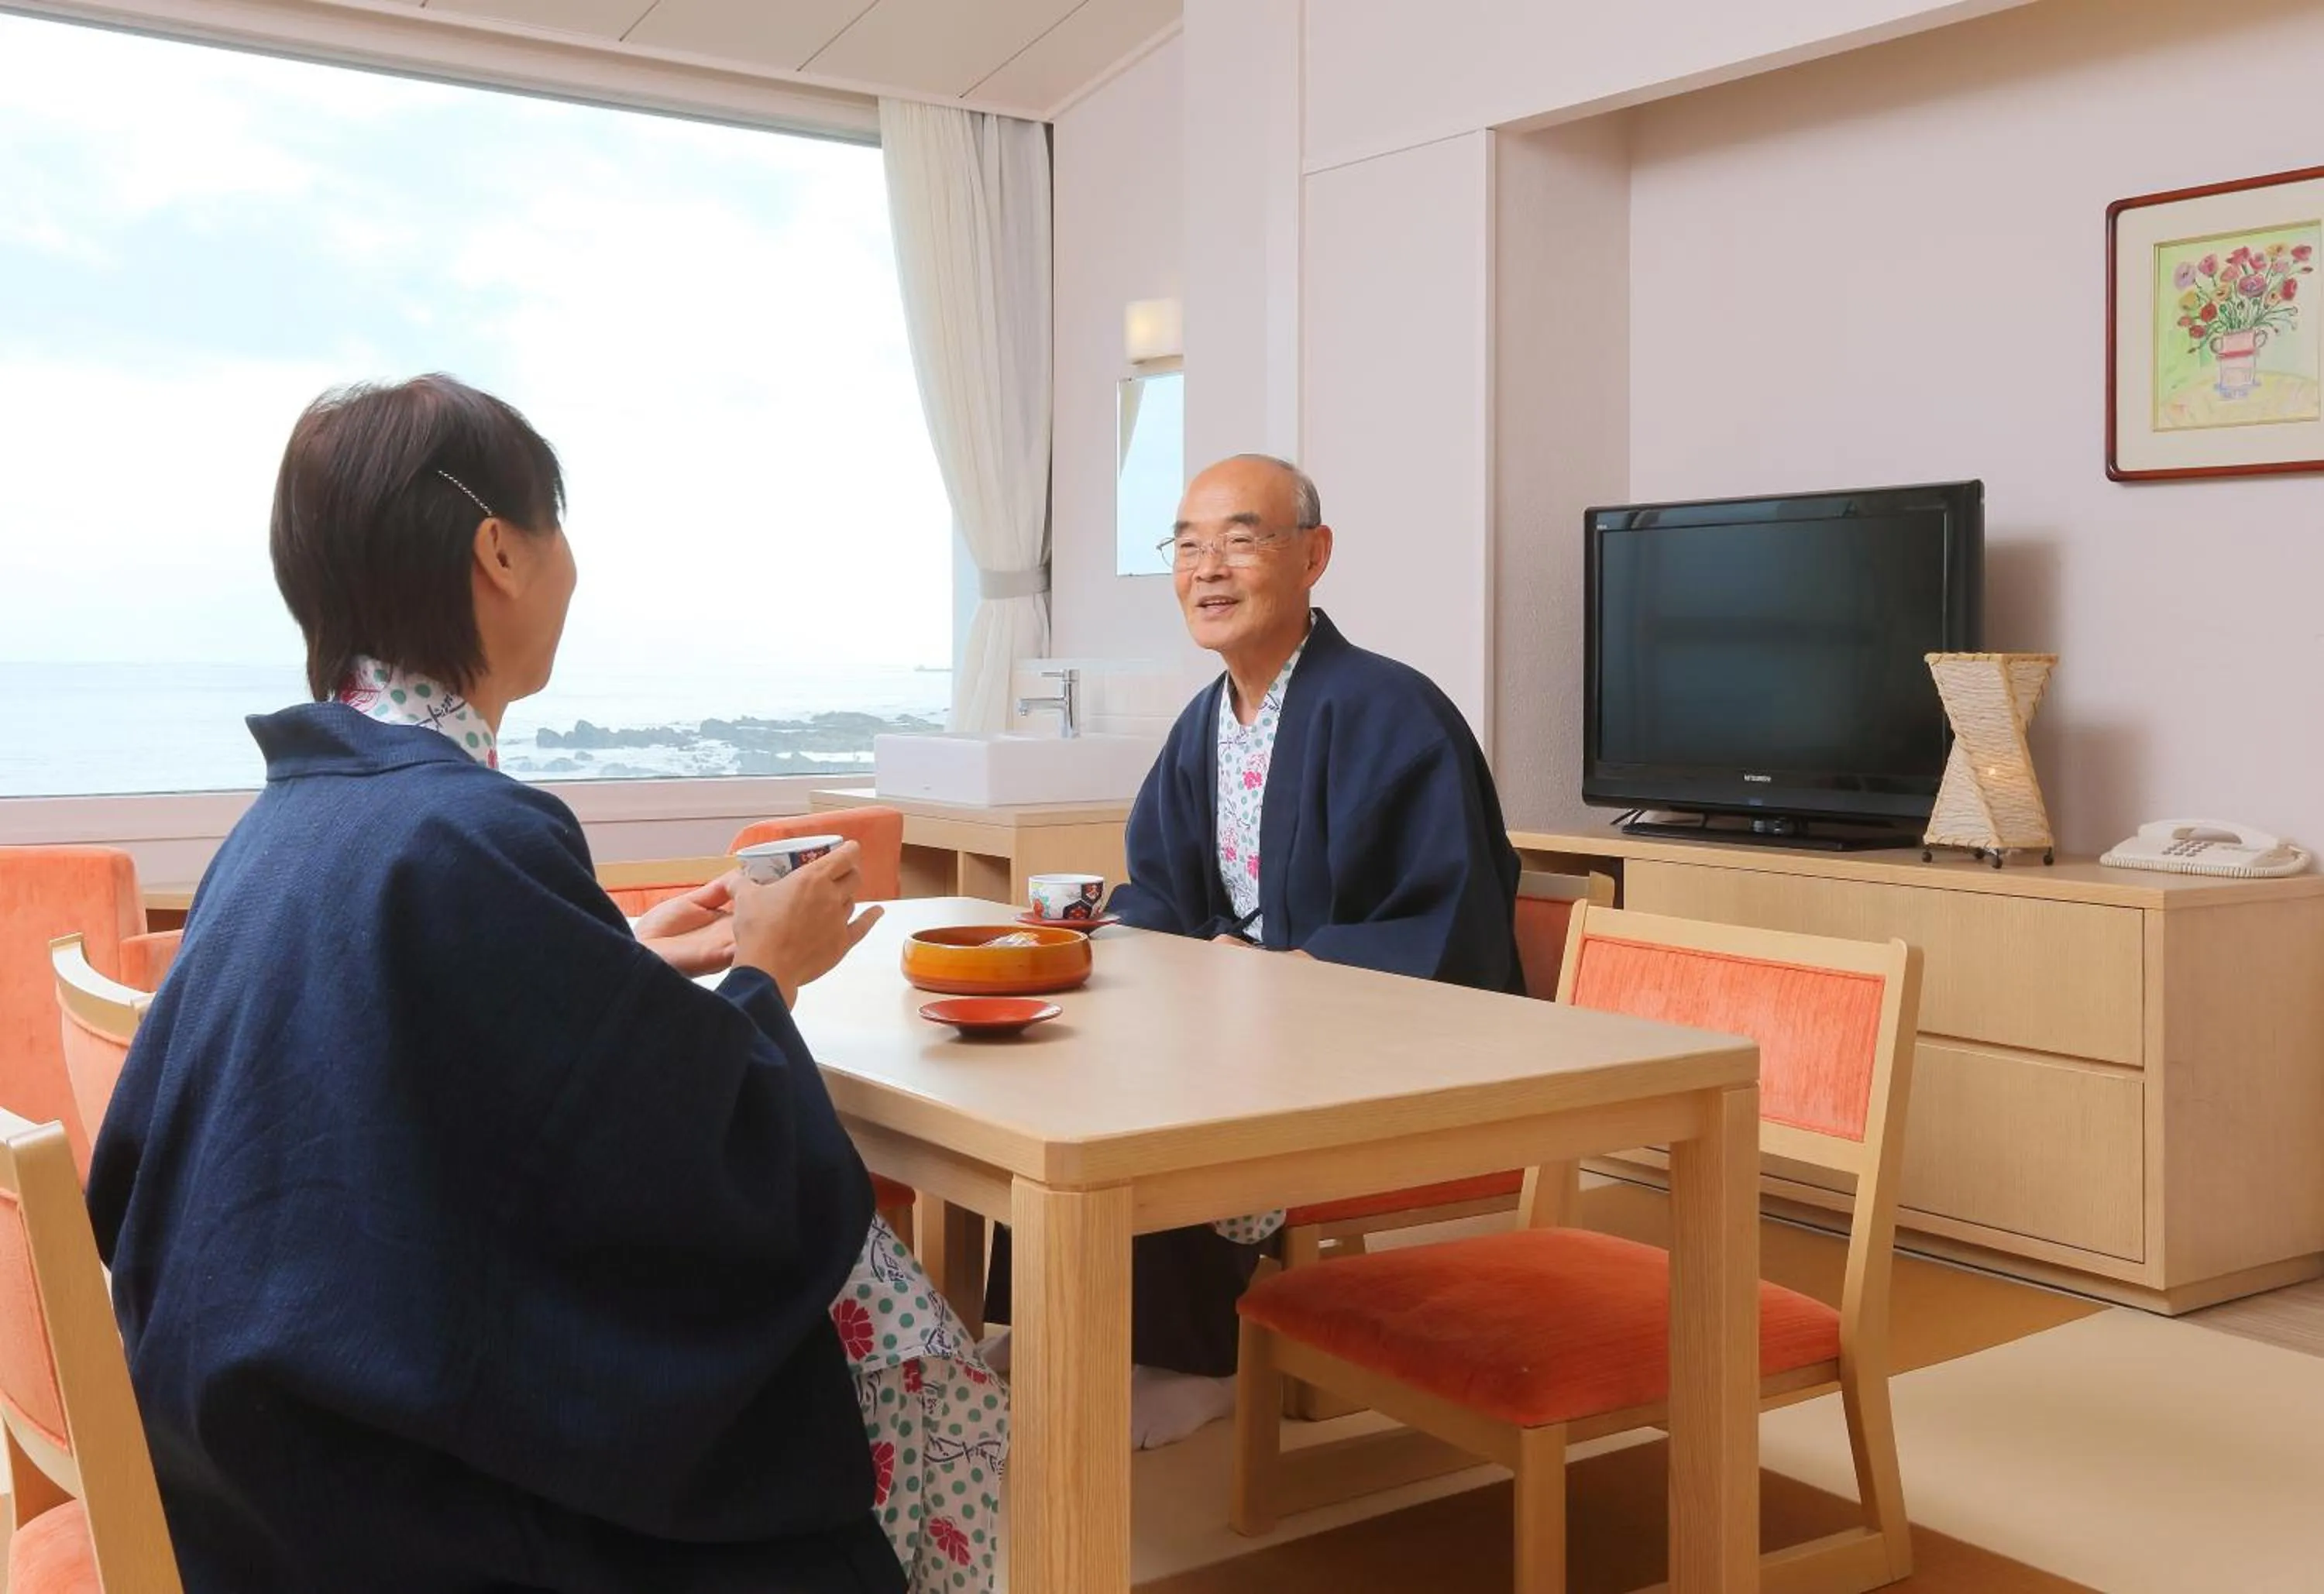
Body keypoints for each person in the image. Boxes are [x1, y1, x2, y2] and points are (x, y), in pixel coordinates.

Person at [88, 375, 1003, 1594]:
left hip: (236, 1459)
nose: (568, 564)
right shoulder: (469, 832)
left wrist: (612, 957)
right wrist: (767, 972)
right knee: (917, 1372)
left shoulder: (301, 809)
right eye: (557, 528)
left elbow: (439, 1040)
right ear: (499, 551)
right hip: (379, 1504)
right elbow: (684, 1173)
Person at [985, 453, 1522, 1449]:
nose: (1210, 568)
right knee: (1069, 1058)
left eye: (1241, 539)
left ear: (1313, 556)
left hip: (1367, 1031)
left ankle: (1198, 1358)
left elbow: (1449, 917)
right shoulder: (1205, 723)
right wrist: (1132, 945)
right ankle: (1073, 1317)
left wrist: (1281, 981)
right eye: (1188, 546)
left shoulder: (1393, 711)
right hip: (1250, 1014)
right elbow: (1160, 889)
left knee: (1164, 1079)